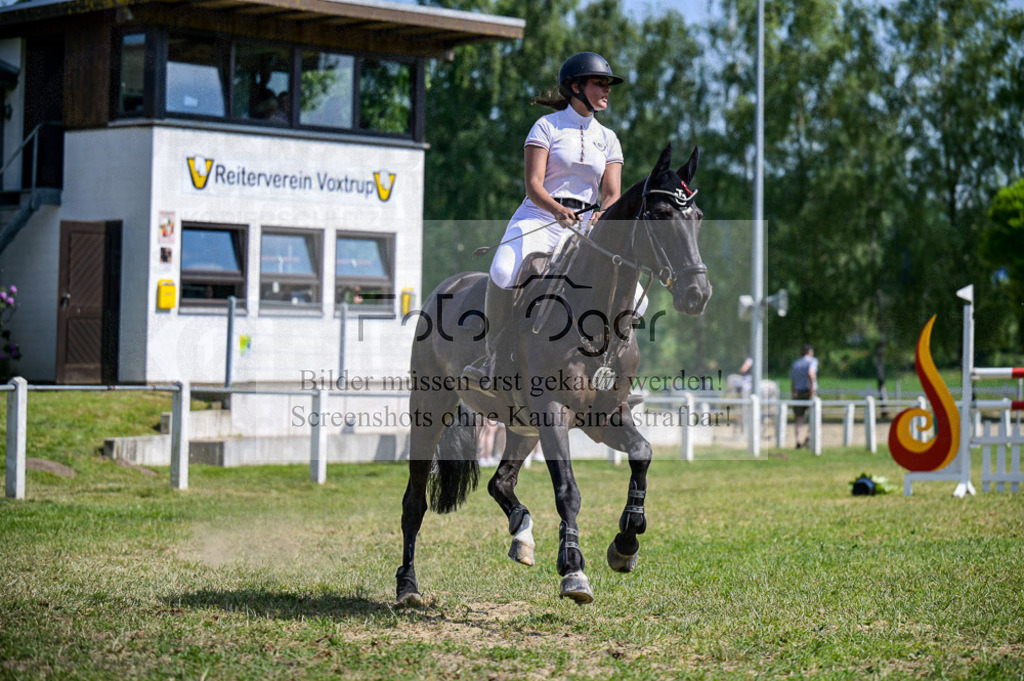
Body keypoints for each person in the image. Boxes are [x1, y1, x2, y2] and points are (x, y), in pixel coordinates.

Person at [464, 52, 638, 391]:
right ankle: (492, 356)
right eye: (599, 83)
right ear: (575, 87)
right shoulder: (547, 126)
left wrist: (603, 213)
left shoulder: (609, 138)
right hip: (539, 216)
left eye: (608, 84)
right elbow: (533, 185)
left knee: (637, 297)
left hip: (585, 228)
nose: (607, 89)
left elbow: (612, 193)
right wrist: (557, 210)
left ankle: (614, 371)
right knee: (502, 270)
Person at [790, 344, 818, 449]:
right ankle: (808, 437)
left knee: (799, 418)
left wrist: (794, 392)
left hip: (798, 393)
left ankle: (798, 440)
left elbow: (792, 380)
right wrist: (812, 388)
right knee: (813, 416)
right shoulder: (812, 361)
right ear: (810, 352)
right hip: (808, 392)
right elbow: (811, 373)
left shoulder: (795, 364)